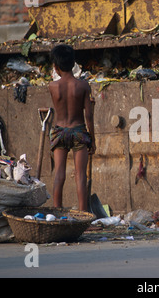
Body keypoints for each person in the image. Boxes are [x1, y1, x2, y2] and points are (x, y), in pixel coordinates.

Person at [48, 44, 96, 212]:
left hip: (60, 131)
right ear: (74, 63)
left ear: (56, 66)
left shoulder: (52, 87)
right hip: (79, 132)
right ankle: (84, 216)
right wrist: (93, 140)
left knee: (59, 174)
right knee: (80, 175)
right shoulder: (83, 86)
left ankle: (56, 213)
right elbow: (88, 116)